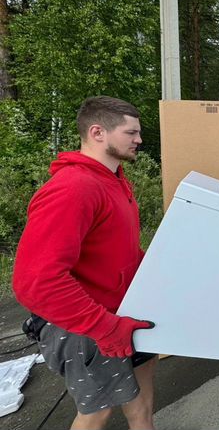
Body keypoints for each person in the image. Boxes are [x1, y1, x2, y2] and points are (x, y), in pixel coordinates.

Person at [13, 96, 157, 430]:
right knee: (97, 414)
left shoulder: (116, 180)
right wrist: (105, 327)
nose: (139, 140)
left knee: (143, 408)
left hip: (126, 313)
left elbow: (120, 252)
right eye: (131, 132)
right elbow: (35, 282)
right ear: (97, 132)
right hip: (87, 326)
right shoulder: (73, 188)